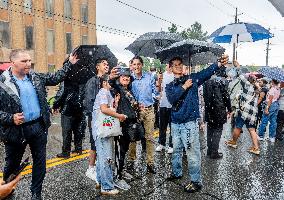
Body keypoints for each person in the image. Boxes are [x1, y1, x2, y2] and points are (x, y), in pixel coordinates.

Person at [0, 49, 78, 200]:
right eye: (24, 61)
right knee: (12, 164)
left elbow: (56, 77)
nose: (29, 63)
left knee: (40, 162)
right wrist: (10, 118)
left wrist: (69, 63)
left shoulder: (35, 76)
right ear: (13, 62)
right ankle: (7, 191)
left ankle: (36, 193)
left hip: (38, 126)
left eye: (29, 60)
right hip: (16, 130)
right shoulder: (3, 82)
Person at [165, 55, 228, 193]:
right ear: (170, 68)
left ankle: (196, 181)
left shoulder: (193, 79)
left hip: (189, 123)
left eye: (180, 64)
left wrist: (217, 64)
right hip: (175, 123)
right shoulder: (169, 86)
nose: (179, 66)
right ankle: (176, 173)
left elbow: (206, 73)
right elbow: (172, 99)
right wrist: (184, 87)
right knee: (176, 151)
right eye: (175, 65)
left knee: (192, 153)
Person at [92, 75, 126, 195]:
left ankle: (100, 181)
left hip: (102, 129)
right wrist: (119, 116)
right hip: (102, 130)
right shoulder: (103, 92)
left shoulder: (106, 93)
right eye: (112, 82)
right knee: (106, 157)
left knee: (102, 156)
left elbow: (108, 108)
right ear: (105, 83)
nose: (114, 84)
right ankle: (106, 187)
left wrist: (115, 102)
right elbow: (104, 109)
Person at [128, 56, 160, 174]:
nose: (136, 66)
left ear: (142, 65)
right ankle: (131, 160)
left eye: (138, 64)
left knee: (149, 137)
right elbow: (126, 92)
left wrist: (158, 85)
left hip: (149, 110)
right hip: (135, 111)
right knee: (133, 137)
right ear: (132, 66)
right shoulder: (129, 78)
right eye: (134, 64)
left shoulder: (149, 76)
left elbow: (155, 93)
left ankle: (150, 163)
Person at [109, 67, 139, 190]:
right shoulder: (118, 89)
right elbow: (111, 84)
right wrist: (111, 78)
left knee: (124, 150)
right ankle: (117, 177)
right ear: (119, 79)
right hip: (121, 125)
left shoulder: (129, 91)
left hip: (129, 125)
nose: (126, 78)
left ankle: (121, 171)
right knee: (119, 152)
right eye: (123, 77)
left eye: (128, 77)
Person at [84, 58, 110, 181]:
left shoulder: (108, 80)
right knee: (95, 143)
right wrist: (96, 116)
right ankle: (90, 168)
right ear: (97, 67)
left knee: (104, 142)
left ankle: (101, 168)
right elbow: (89, 101)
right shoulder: (92, 81)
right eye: (104, 64)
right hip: (96, 117)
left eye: (107, 64)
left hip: (106, 116)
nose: (106, 65)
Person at [226, 61, 260, 155]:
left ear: (248, 79)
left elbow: (240, 75)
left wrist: (238, 66)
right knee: (252, 130)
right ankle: (256, 148)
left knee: (238, 127)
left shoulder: (247, 85)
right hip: (252, 113)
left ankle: (233, 142)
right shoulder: (256, 88)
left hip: (244, 111)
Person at [203, 67, 232, 159]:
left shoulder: (206, 81)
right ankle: (214, 152)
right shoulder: (223, 81)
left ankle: (209, 150)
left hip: (209, 108)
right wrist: (230, 109)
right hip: (219, 109)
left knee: (210, 129)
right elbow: (226, 97)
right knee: (218, 130)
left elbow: (204, 96)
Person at [53, 81, 86, 158]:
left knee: (67, 131)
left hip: (68, 109)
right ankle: (78, 149)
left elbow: (61, 93)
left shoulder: (66, 80)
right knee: (78, 130)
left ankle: (66, 152)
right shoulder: (82, 79)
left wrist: (55, 105)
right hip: (79, 109)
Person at [155, 64, 174, 153]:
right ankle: (161, 143)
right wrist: (159, 80)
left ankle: (171, 145)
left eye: (170, 64)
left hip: (172, 105)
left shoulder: (175, 75)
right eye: (167, 64)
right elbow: (158, 90)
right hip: (163, 104)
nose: (169, 66)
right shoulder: (163, 75)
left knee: (172, 126)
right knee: (162, 126)